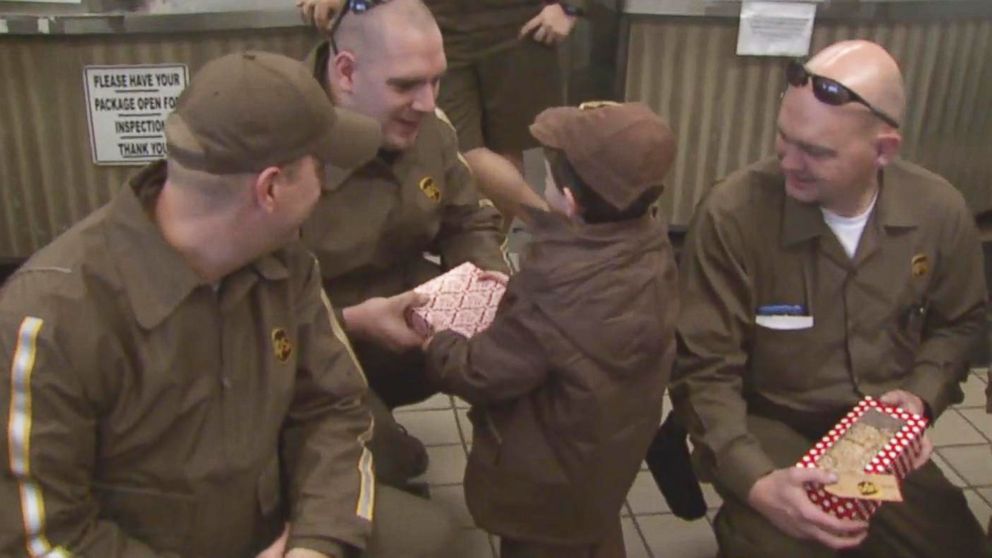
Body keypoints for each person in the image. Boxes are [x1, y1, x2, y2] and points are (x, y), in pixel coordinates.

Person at [0, 51, 452, 558]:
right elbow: (40, 537)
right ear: (271, 188)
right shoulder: (50, 319)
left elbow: (334, 409)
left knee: (433, 540)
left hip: (274, 530)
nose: (327, 185)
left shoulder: (286, 265)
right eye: (320, 167)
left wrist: (318, 544)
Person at [670, 39, 992, 558]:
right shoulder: (734, 214)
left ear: (884, 150)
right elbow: (704, 369)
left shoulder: (939, 211)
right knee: (781, 546)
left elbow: (960, 323)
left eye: (816, 151)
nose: (788, 161)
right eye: (784, 137)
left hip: (875, 431)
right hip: (771, 423)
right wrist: (756, 482)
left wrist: (919, 395)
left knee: (955, 547)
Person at [420, 101, 679, 557]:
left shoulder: (554, 290)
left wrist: (438, 339)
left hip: (541, 483)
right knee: (591, 533)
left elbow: (481, 373)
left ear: (570, 201)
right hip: (603, 462)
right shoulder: (652, 249)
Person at [299, 0, 511, 486]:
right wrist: (352, 324)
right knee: (395, 465)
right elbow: (247, 309)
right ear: (346, 72)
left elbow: (466, 220)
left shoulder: (430, 130)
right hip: (306, 338)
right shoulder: (280, 144)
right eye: (406, 84)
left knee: (526, 352)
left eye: (436, 80)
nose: (427, 101)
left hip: (402, 309)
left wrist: (491, 279)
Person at [298, 0, 585, 223]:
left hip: (517, 20)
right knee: (462, 146)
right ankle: (555, 225)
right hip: (435, 19)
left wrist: (570, 7)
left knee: (505, 148)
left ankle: (491, 261)